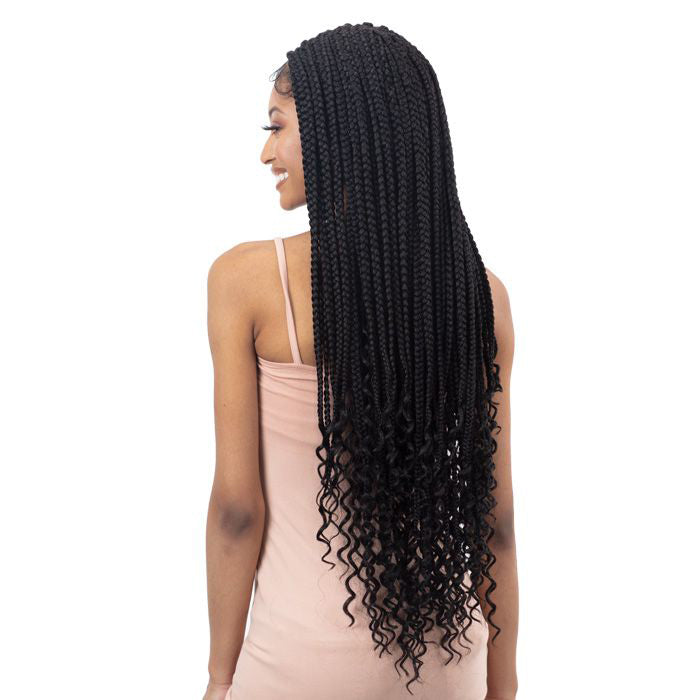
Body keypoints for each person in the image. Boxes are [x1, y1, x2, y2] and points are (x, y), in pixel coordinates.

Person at [203, 23, 518, 700]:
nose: (266, 152)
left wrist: (218, 678)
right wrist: (503, 684)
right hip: (449, 665)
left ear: (334, 132)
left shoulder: (247, 281)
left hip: (300, 667)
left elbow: (236, 510)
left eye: (277, 127)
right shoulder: (478, 297)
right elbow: (495, 522)